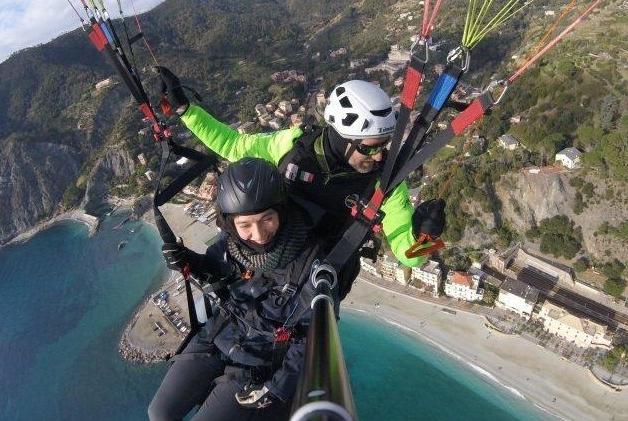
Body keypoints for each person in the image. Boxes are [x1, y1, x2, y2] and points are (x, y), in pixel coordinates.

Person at [156, 67, 446, 298]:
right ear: (341, 138)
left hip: (315, 279)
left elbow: (409, 257)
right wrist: (186, 111)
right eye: (370, 146)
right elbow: (233, 145)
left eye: (384, 145)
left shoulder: (386, 182)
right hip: (269, 248)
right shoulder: (294, 145)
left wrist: (425, 238)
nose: (380, 154)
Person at [148, 158, 323, 421]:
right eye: (245, 225)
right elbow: (214, 270)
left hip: (256, 362)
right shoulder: (231, 244)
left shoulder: (309, 262)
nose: (260, 234)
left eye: (267, 219)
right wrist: (187, 260)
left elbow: (315, 334)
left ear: (281, 213)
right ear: (231, 224)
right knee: (159, 413)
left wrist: (278, 386)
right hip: (217, 336)